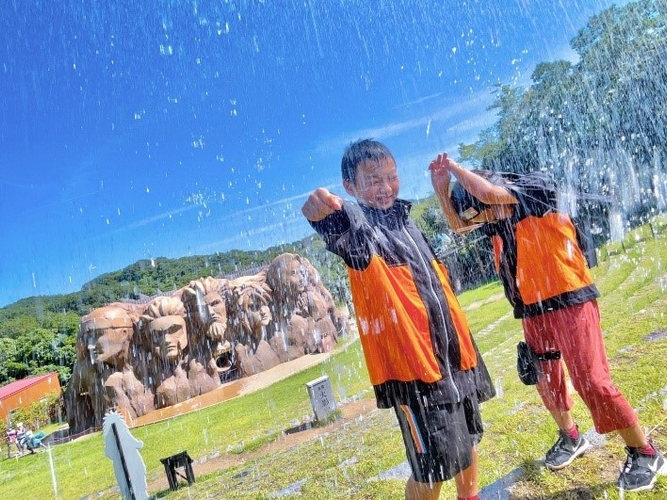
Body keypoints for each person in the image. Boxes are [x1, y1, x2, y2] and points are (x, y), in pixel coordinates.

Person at [429, 152, 667, 492]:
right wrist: (442, 189)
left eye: (484, 211)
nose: (488, 218)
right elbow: (460, 225)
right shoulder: (496, 214)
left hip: (570, 297)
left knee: (592, 381)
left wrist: (453, 167)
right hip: (533, 308)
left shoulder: (533, 187)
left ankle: (644, 452)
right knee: (543, 376)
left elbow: (491, 196)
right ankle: (571, 436)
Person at [302, 139, 494, 500]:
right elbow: (337, 226)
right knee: (431, 469)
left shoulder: (409, 225)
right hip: (415, 373)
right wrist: (321, 213)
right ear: (350, 187)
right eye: (373, 180)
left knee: (468, 442)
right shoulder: (360, 232)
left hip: (454, 359)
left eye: (391, 176)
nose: (385, 187)